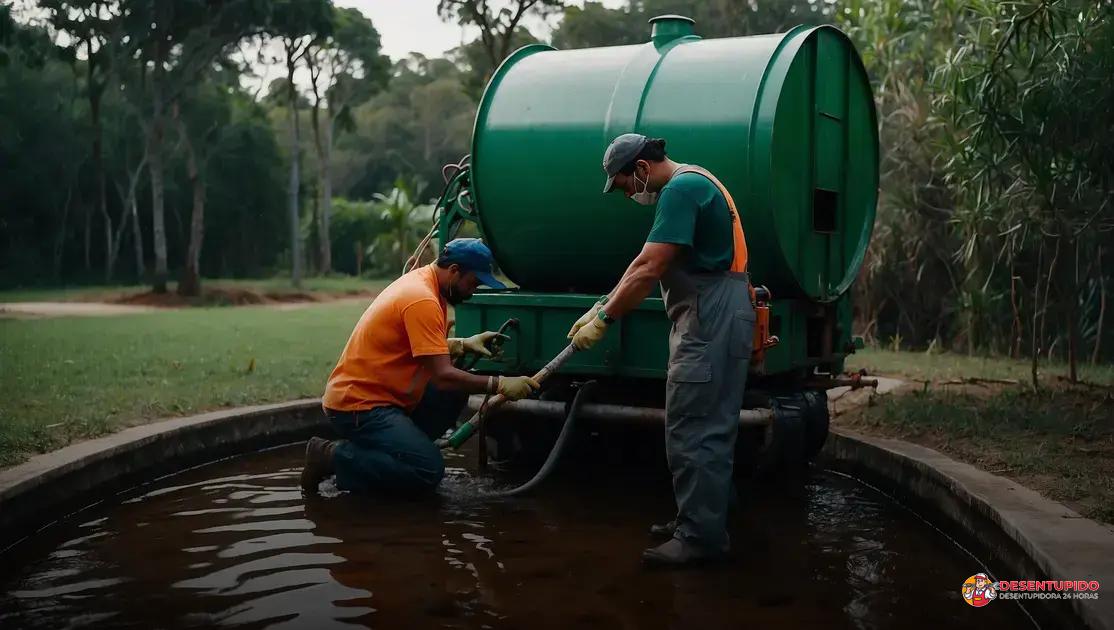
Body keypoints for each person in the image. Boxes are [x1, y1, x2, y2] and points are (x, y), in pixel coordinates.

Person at [568, 134, 755, 567]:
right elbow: (643, 264)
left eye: (624, 185)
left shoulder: (680, 190)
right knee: (712, 423)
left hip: (709, 317)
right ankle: (706, 517)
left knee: (692, 427)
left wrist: (605, 320)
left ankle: (700, 538)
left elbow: (650, 267)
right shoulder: (696, 179)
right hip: (720, 311)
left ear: (641, 168)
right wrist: (600, 305)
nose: (629, 193)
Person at [302, 238, 540, 495]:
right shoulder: (422, 299)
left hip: (384, 398)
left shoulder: (426, 284)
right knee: (428, 470)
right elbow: (442, 377)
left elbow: (413, 343)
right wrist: (499, 384)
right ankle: (331, 456)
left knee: (454, 394)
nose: (473, 291)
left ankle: (398, 454)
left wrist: (462, 344)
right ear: (454, 271)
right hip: (360, 405)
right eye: (472, 283)